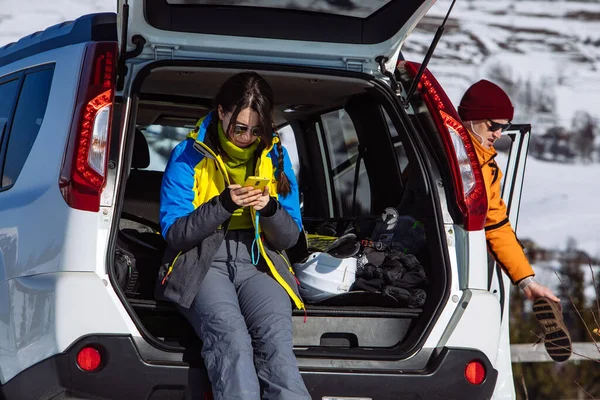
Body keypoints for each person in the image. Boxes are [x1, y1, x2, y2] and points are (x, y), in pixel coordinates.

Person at [155, 71, 310, 399]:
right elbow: (176, 234)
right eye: (240, 128)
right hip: (201, 263)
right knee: (232, 343)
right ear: (222, 113)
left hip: (258, 261)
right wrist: (224, 203)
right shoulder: (188, 155)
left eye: (257, 130)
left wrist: (269, 209)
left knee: (277, 350)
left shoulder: (276, 157)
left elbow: (289, 238)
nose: (247, 137)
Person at [458, 79, 572, 362]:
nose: (499, 133)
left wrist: (527, 281)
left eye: (503, 127)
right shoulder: (452, 154)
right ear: (472, 118)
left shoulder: (486, 167)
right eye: (494, 125)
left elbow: (496, 226)